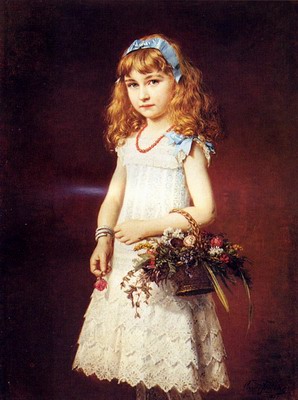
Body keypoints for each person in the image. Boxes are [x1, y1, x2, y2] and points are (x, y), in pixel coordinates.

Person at [73, 34, 230, 400]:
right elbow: (113, 196)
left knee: (167, 365)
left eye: (154, 81)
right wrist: (104, 237)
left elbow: (206, 209)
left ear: (178, 81)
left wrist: (149, 226)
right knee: (139, 364)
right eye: (133, 85)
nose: (142, 94)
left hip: (167, 264)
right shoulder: (129, 140)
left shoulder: (185, 141)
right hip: (127, 263)